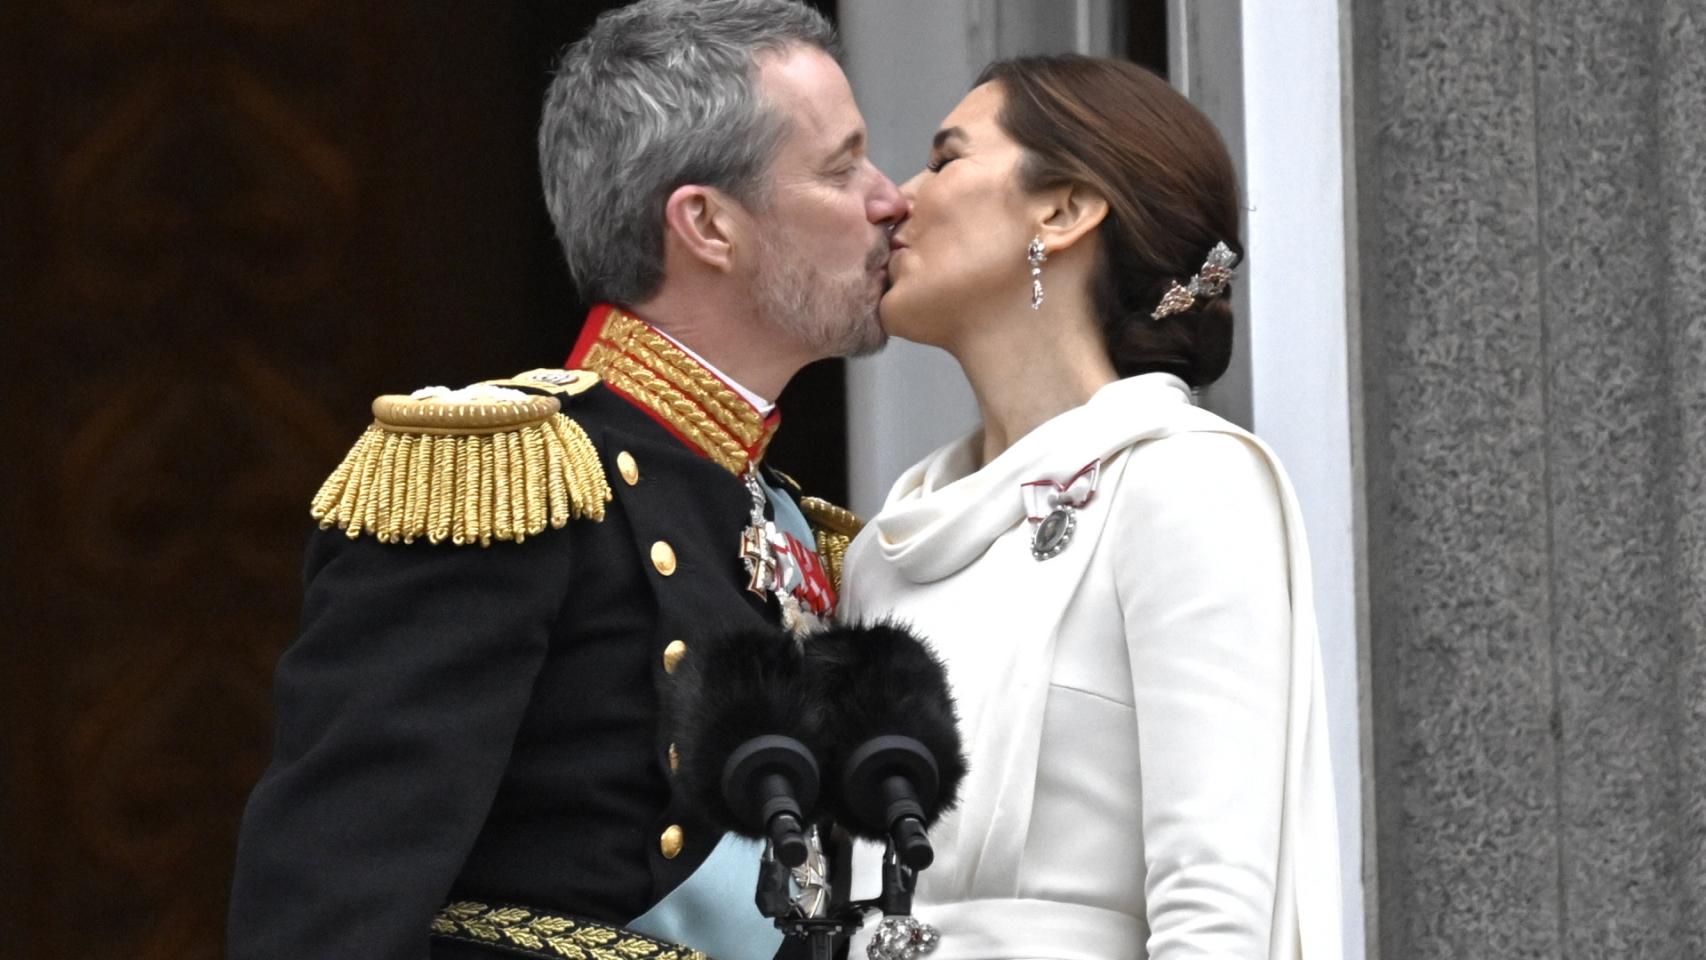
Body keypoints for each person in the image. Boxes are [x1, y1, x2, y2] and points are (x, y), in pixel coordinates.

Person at [226, 2, 904, 958]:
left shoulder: (796, 523)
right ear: (707, 223)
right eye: (842, 168)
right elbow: (330, 906)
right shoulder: (502, 474)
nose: (892, 200)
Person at [839, 56, 1342, 960]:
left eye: (946, 160)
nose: (897, 199)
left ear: (1063, 210)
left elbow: (1215, 914)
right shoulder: (883, 551)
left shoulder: (1182, 485)